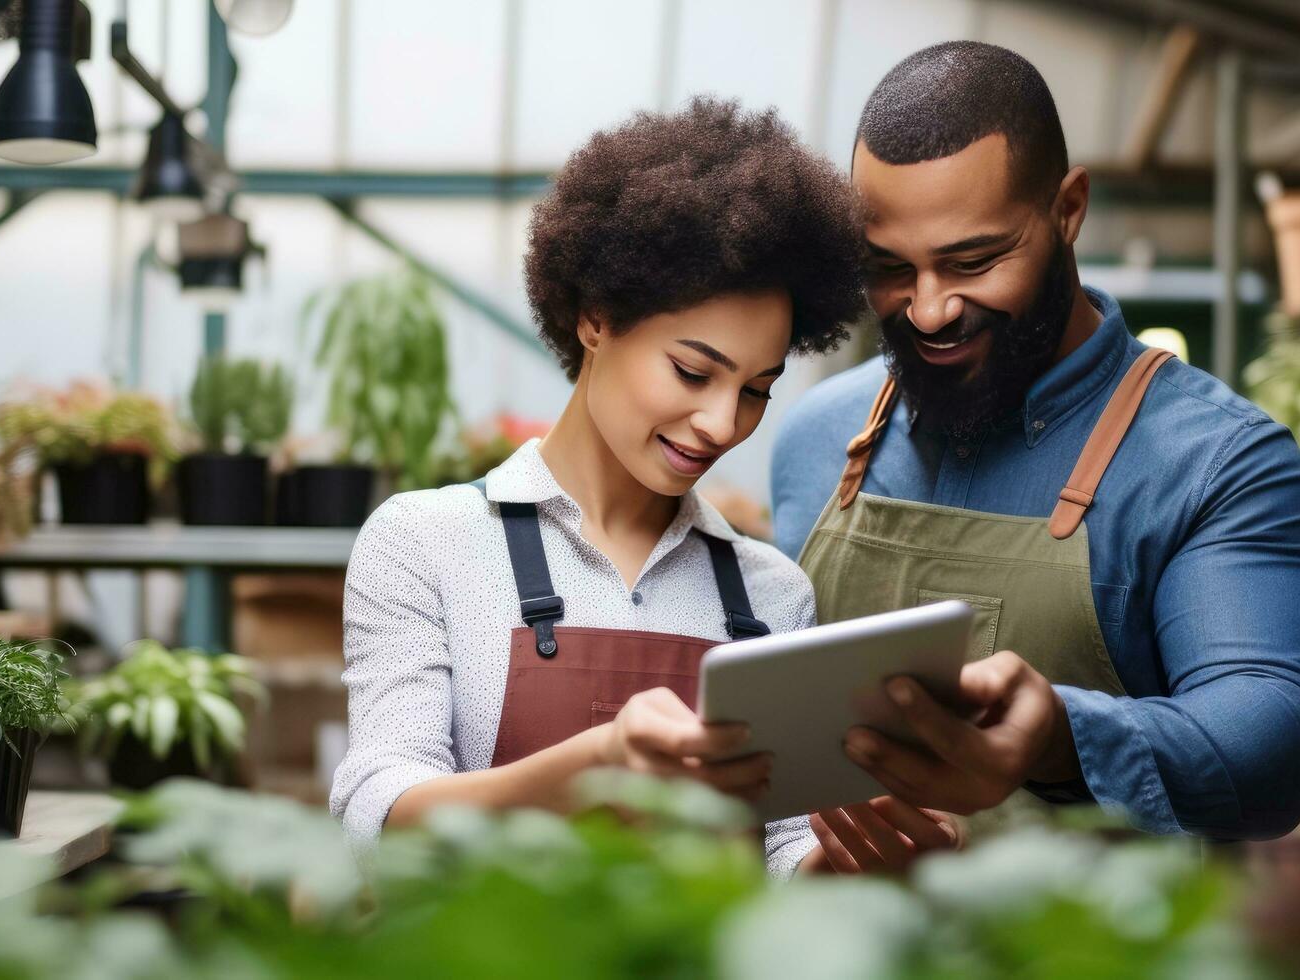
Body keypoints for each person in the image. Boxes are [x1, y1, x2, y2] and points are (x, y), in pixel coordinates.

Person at [329, 98, 954, 877]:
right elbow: (376, 813)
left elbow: (781, 851)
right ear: (596, 317)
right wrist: (590, 770)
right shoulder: (427, 543)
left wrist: (848, 862)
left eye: (756, 389)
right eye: (693, 372)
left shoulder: (771, 595)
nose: (721, 424)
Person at [771, 42, 1300, 841]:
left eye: (974, 260)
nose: (929, 311)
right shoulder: (816, 438)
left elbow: (1277, 734)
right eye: (889, 267)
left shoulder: (1220, 463)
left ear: (1067, 210)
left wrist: (1064, 737)